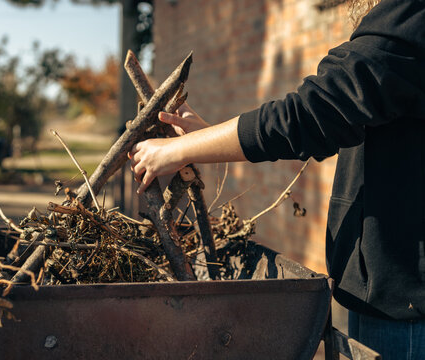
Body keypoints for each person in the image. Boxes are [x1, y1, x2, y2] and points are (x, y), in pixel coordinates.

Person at [128, 0, 425, 358]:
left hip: (407, 307)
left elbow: (313, 112)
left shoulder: (413, 12)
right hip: (391, 299)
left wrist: (181, 149)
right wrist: (204, 138)